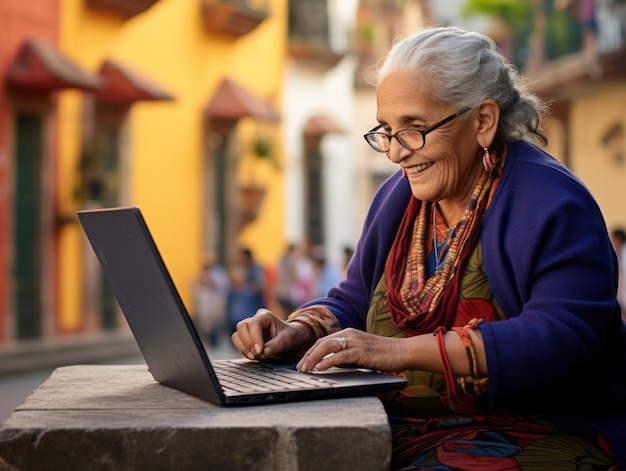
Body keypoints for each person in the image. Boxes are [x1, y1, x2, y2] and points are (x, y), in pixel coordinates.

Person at [232, 26, 626, 469]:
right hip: (399, 425)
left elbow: (564, 336)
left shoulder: (552, 203)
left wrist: (394, 351)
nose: (396, 153)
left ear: (483, 121)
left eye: (414, 129)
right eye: (386, 131)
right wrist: (298, 331)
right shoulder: (398, 197)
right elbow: (355, 299)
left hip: (534, 431)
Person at [192, 252, 230, 347]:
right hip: (204, 304)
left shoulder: (219, 273)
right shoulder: (201, 274)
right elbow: (195, 288)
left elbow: (224, 286)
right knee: (204, 324)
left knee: (217, 323)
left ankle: (216, 342)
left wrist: (211, 281)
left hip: (215, 302)